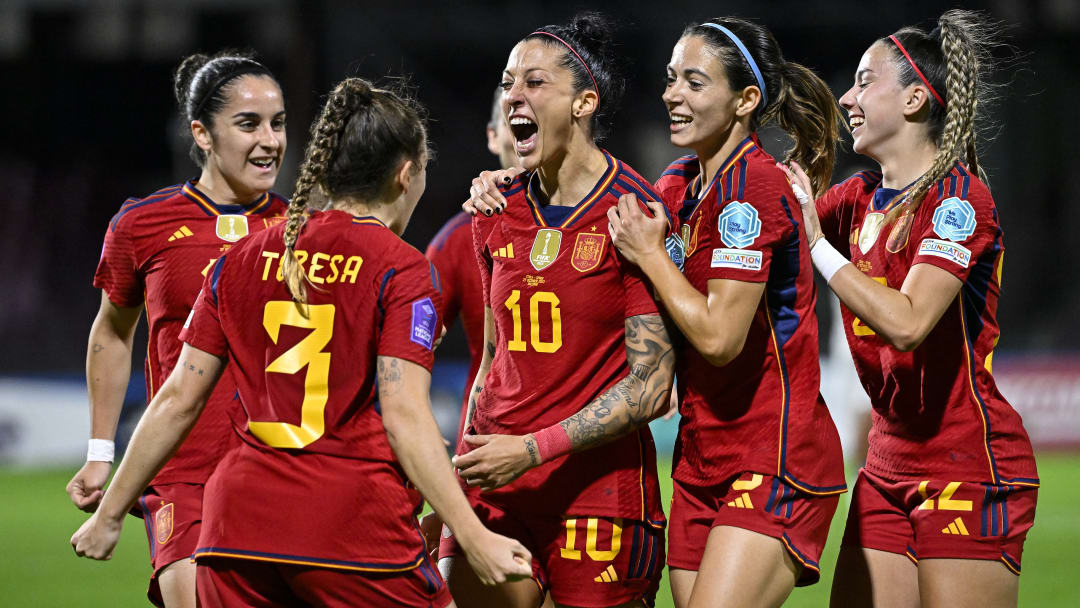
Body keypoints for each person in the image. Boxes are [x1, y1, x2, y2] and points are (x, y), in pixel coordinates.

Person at [71, 76, 532, 607]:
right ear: (406, 174)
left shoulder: (239, 258)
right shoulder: (401, 269)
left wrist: (110, 516)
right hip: (349, 524)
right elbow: (405, 417)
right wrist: (475, 540)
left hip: (234, 531)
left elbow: (176, 398)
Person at [781, 9, 1039, 607]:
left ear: (917, 99)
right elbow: (770, 227)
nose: (849, 97)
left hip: (968, 465)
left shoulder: (958, 200)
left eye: (866, 81)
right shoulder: (860, 198)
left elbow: (907, 322)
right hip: (885, 465)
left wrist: (818, 246)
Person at [605, 17, 847, 608]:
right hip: (698, 456)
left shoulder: (754, 189)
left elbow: (719, 338)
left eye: (694, 82)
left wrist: (651, 258)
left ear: (745, 101)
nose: (672, 95)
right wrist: (508, 185)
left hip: (774, 453)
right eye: (670, 79)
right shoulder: (679, 182)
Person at [438, 13, 676, 608]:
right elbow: (495, 358)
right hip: (494, 483)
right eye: (508, 82)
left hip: (597, 496)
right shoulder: (495, 210)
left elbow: (651, 388)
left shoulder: (635, 213)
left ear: (584, 102)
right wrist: (454, 480)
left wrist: (532, 449)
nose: (514, 95)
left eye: (536, 83)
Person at [65, 51, 290, 608]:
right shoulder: (142, 224)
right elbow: (112, 335)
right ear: (202, 133)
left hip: (282, 470)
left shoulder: (304, 227)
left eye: (278, 122)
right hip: (183, 473)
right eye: (249, 124)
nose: (270, 140)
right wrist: (101, 451)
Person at [426, 86, 519, 443]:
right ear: (492, 137)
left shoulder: (598, 222)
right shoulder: (457, 240)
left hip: (574, 455)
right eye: (510, 117)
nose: (524, 125)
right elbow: (406, 344)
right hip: (485, 443)